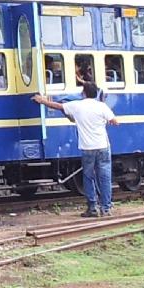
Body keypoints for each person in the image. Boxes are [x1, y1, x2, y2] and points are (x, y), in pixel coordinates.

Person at [32, 81, 117, 218]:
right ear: (96, 93)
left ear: (83, 93)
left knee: (88, 177)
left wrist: (42, 100)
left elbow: (58, 106)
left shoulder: (77, 106)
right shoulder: (102, 106)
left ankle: (92, 208)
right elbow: (115, 121)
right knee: (105, 177)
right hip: (103, 146)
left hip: (87, 148)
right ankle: (106, 208)